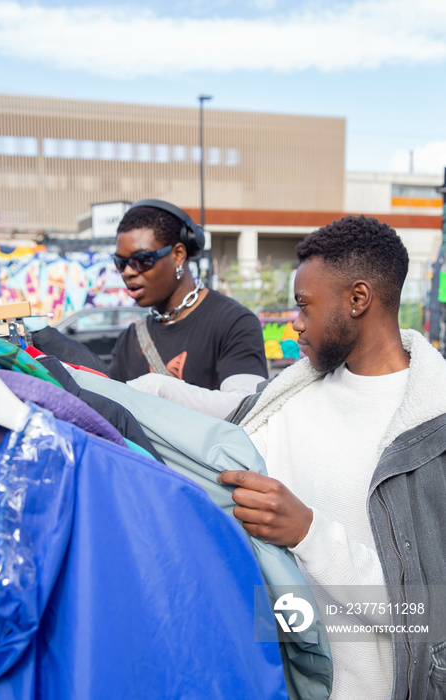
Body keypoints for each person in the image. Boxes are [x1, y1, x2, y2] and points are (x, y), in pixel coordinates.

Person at [219, 215, 446, 699]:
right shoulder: (285, 405)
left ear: (358, 299)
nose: (294, 322)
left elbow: (430, 614)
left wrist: (307, 532)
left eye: (303, 305)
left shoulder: (434, 429)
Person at [33, 199, 268, 419]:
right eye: (121, 263)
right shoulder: (131, 338)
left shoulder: (234, 322)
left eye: (141, 260)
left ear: (178, 255)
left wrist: (160, 389)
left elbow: (246, 407)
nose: (128, 272)